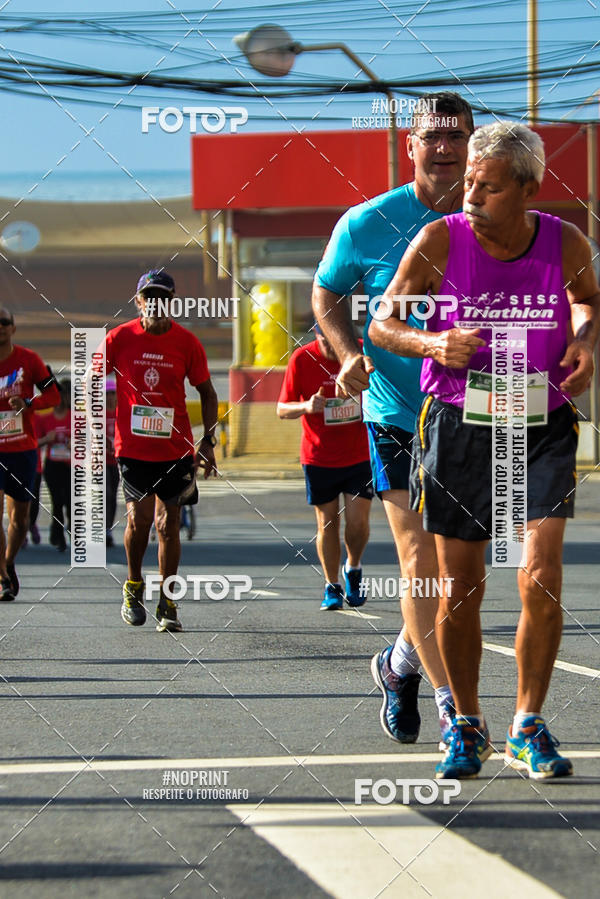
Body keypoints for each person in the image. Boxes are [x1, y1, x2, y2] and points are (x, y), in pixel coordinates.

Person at [370, 121, 600, 779]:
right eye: (468, 182)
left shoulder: (564, 240)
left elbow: (588, 300)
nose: (470, 196)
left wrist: (584, 341)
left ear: (528, 188)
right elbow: (384, 323)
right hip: (459, 423)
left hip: (541, 420)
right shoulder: (440, 240)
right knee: (461, 585)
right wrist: (432, 343)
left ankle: (528, 724)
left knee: (541, 572)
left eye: (488, 187)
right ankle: (467, 724)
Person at [313, 92, 473, 744]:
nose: (443, 148)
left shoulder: (496, 221)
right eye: (431, 136)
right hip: (397, 413)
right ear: (411, 146)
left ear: (473, 145)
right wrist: (347, 352)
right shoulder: (367, 223)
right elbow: (327, 291)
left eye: (455, 136)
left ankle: (398, 664)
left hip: (472, 416)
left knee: (461, 576)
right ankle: (453, 709)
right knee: (420, 562)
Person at [105, 270, 218, 632]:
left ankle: (168, 602)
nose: (155, 303)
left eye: (163, 297)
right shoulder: (118, 338)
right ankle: (134, 585)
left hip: (175, 450)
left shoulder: (187, 343)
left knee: (168, 525)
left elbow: (208, 393)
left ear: (171, 302)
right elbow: (90, 381)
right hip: (132, 449)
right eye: (149, 297)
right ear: (138, 301)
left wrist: (208, 441)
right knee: (138, 523)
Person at [277, 324, 373, 610]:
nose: (331, 347)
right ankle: (332, 586)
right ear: (316, 334)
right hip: (319, 456)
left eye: (335, 339)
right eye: (325, 340)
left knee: (358, 522)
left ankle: (353, 567)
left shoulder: (361, 351)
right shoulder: (301, 358)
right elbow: (282, 409)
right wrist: (307, 406)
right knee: (327, 523)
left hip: (359, 453)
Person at [0, 307, 60, 600]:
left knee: (20, 520)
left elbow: (54, 394)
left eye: (4, 322)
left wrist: (28, 403)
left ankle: (8, 562)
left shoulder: (29, 360)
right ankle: (2, 576)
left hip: (22, 450)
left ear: (13, 328)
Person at [36, 378, 71, 552]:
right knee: (57, 502)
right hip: (52, 466)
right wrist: (46, 439)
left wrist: (76, 443)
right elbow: (34, 443)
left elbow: (88, 440)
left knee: (71, 502)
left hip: (71, 467)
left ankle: (71, 530)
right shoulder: (45, 418)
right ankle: (58, 535)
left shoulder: (76, 417)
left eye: (64, 395)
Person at [105, 377, 119, 548]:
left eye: (112, 393)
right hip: (99, 462)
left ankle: (108, 528)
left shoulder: (121, 413)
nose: (109, 397)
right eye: (106, 394)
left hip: (116, 461)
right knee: (106, 493)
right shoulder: (97, 415)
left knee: (113, 495)